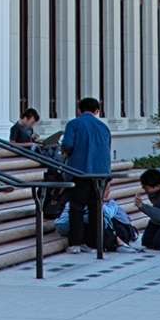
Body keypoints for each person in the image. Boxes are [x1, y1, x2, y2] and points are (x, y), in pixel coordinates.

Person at [57, 97, 114, 249]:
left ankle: (77, 242)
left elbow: (67, 145)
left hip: (80, 172)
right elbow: (107, 151)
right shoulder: (104, 127)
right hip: (101, 174)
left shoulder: (74, 124)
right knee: (96, 207)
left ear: (79, 110)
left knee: (77, 207)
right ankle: (95, 242)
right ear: (97, 111)